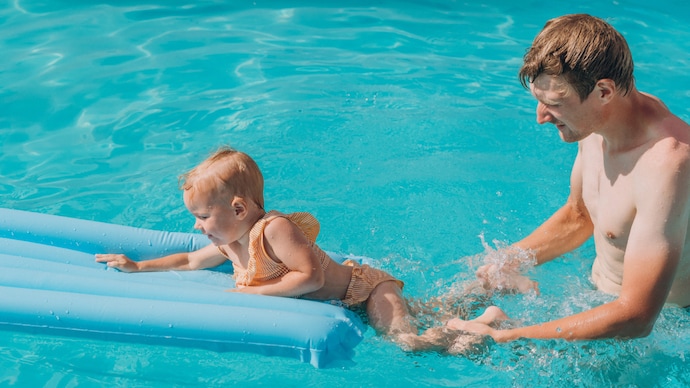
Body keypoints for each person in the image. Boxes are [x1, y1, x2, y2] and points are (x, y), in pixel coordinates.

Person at [96, 146, 507, 352]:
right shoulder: (229, 241)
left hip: (364, 291)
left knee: (408, 342)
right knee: (436, 306)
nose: (196, 226)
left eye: (203, 216)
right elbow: (187, 259)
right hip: (346, 300)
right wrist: (138, 266)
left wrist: (250, 293)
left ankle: (485, 324)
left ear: (238, 208)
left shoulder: (274, 229)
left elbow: (309, 277)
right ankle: (487, 287)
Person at [447, 13, 690, 342]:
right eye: (539, 100)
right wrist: (508, 260)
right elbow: (580, 215)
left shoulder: (667, 164)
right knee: (437, 324)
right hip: (596, 304)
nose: (541, 118)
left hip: (662, 332)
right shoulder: (595, 122)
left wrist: (511, 337)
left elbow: (637, 317)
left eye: (554, 104)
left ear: (604, 91)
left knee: (475, 345)